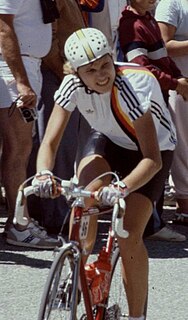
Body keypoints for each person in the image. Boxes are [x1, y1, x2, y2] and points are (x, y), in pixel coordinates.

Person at [32, 27, 177, 320]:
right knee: (82, 198)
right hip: (110, 138)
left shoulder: (133, 87)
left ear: (113, 58)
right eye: (90, 70)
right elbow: (49, 141)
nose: (101, 75)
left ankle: (136, 316)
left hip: (151, 151)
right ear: (76, 72)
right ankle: (78, 263)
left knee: (128, 234)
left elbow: (151, 159)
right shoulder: (71, 85)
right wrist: (43, 174)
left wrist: (122, 188)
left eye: (105, 65)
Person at [118, 0, 188, 241]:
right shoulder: (132, 24)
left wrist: (178, 79)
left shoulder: (148, 19)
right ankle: (148, 224)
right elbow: (141, 66)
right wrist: (174, 83)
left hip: (159, 96)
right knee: (152, 158)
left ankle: (153, 221)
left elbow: (162, 59)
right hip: (144, 100)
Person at [0, 0, 61, 248]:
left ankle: (18, 221)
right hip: (15, 70)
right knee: (18, 149)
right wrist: (21, 80)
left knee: (18, 150)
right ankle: (19, 225)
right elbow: (3, 27)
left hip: (26, 66)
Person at [155, 0, 188, 226]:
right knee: (183, 145)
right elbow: (163, 45)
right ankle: (184, 204)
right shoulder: (171, 3)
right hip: (182, 83)